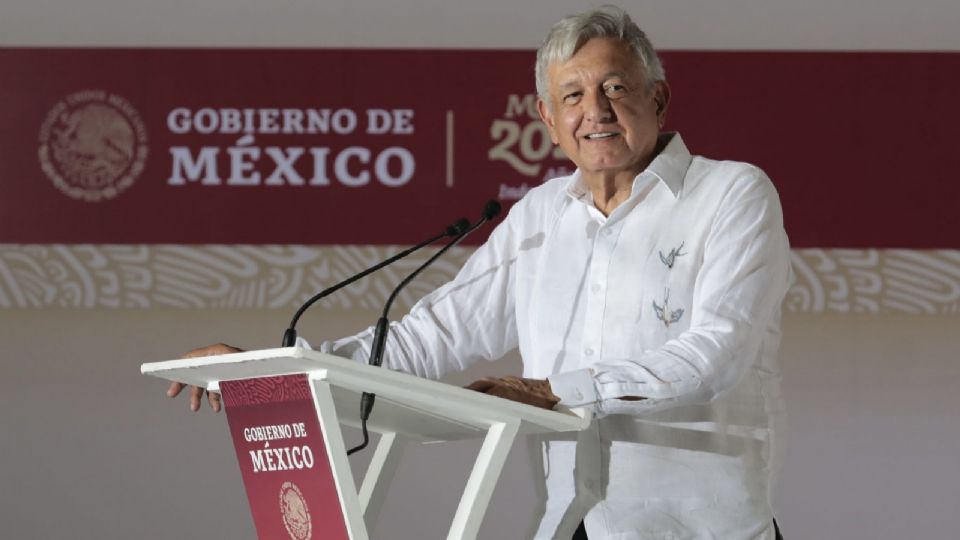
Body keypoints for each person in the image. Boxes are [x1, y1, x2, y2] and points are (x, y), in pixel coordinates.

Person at [169, 6, 791, 539]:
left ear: (657, 97)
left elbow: (717, 354)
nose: (594, 110)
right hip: (573, 524)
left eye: (616, 87)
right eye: (572, 95)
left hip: (702, 529)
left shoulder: (731, 194)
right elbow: (427, 339)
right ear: (549, 120)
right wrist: (271, 373)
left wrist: (556, 390)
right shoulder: (540, 216)